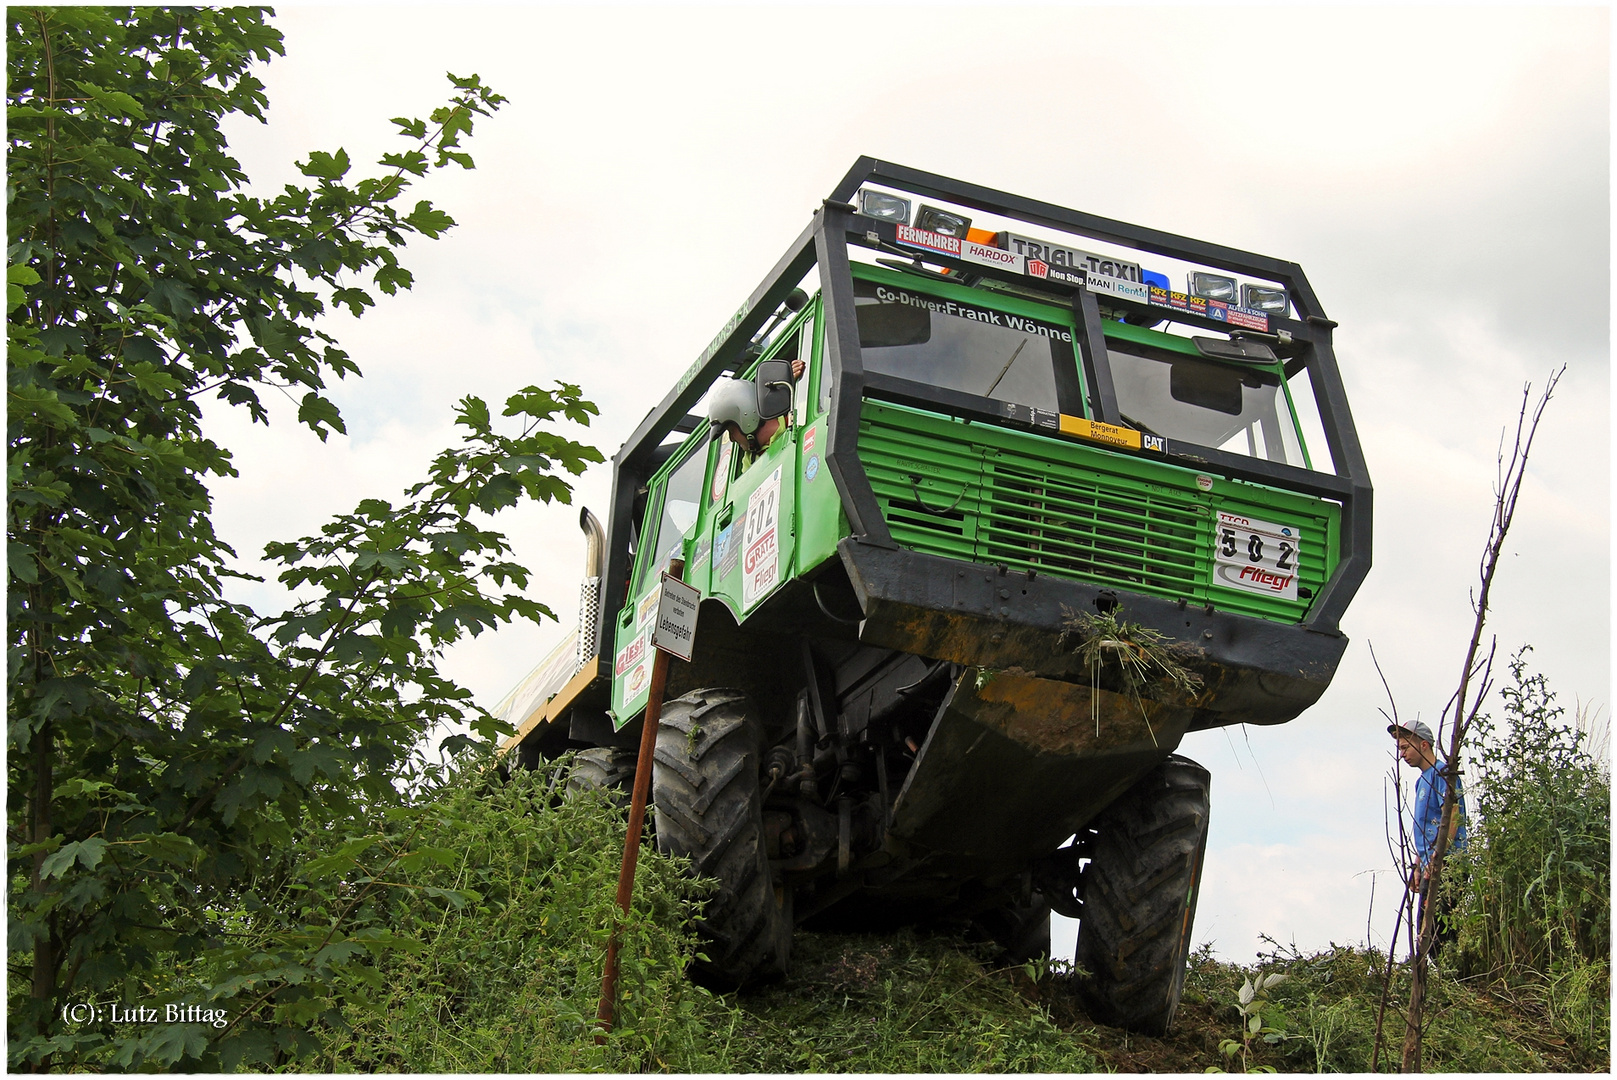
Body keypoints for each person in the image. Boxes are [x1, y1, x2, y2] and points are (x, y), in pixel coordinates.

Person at [1388, 718, 1468, 953]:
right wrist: (1417, 864)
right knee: (1428, 934)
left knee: (1437, 933)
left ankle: (1465, 980)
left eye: (1405, 747)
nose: (1402, 755)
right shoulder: (1421, 782)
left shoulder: (1443, 774)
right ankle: (1451, 981)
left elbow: (1452, 815)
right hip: (1428, 866)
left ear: (1423, 745)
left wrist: (1438, 858)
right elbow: (1424, 830)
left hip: (1447, 865)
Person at [707, 358, 805, 457]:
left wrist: (797, 384)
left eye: (731, 431)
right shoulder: (749, 462)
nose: (732, 439)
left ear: (747, 418)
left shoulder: (800, 417)